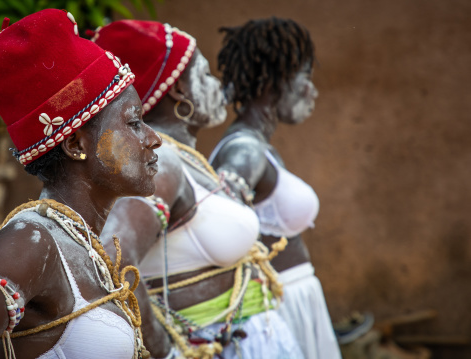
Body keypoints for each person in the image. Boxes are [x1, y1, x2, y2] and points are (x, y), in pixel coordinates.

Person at [0, 9, 166, 359]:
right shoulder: (31, 241)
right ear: (75, 145)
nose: (153, 139)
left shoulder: (80, 242)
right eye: (133, 123)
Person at [95, 20, 303, 359]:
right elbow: (113, 260)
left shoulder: (183, 158)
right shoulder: (160, 161)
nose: (217, 84)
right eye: (205, 75)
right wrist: (166, 350)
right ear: (178, 90)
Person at [209, 17, 342, 359]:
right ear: (274, 80)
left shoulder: (257, 148)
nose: (312, 90)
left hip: (291, 299)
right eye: (306, 76)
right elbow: (219, 225)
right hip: (276, 309)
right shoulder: (244, 151)